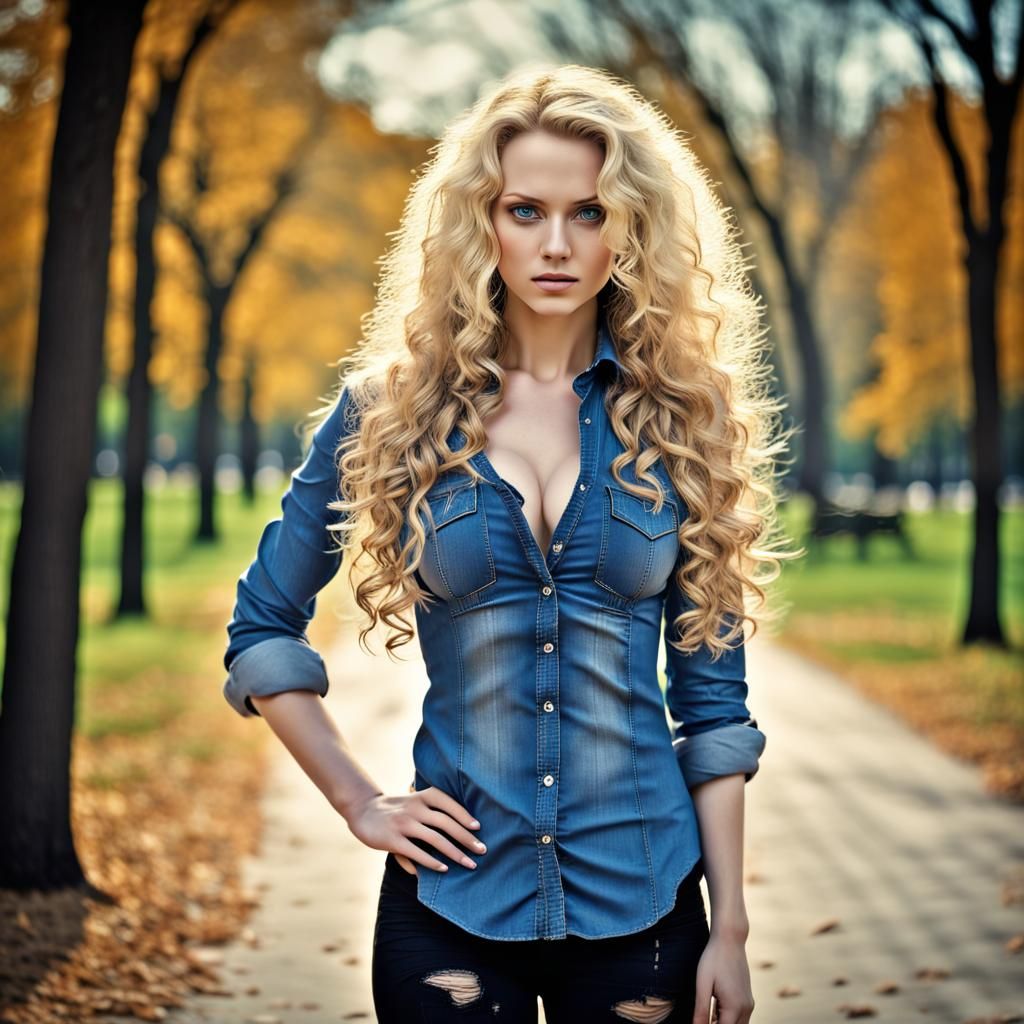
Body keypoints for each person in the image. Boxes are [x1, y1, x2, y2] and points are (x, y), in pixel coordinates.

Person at [222, 63, 800, 1024]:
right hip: (450, 898)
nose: (557, 244)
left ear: (632, 228)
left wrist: (731, 929)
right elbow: (262, 628)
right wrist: (360, 802)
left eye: (590, 213)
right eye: (525, 211)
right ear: (479, 222)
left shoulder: (686, 424)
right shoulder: (387, 412)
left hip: (646, 899)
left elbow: (714, 707)